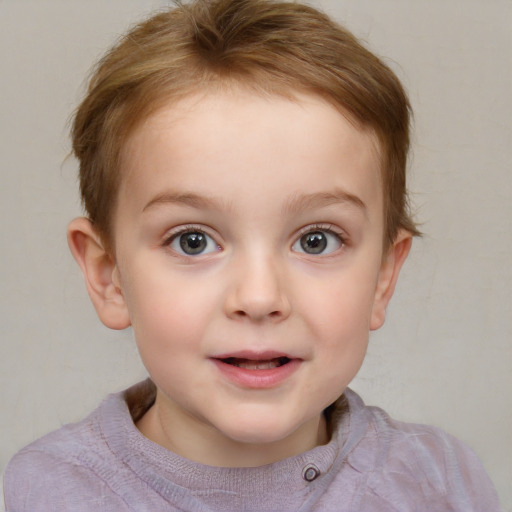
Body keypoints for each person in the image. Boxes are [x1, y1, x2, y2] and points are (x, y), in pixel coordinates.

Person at [4, 0, 501, 510]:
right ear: (108, 276)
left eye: (317, 240)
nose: (260, 297)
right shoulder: (42, 494)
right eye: (192, 240)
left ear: (382, 276)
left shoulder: (440, 484)